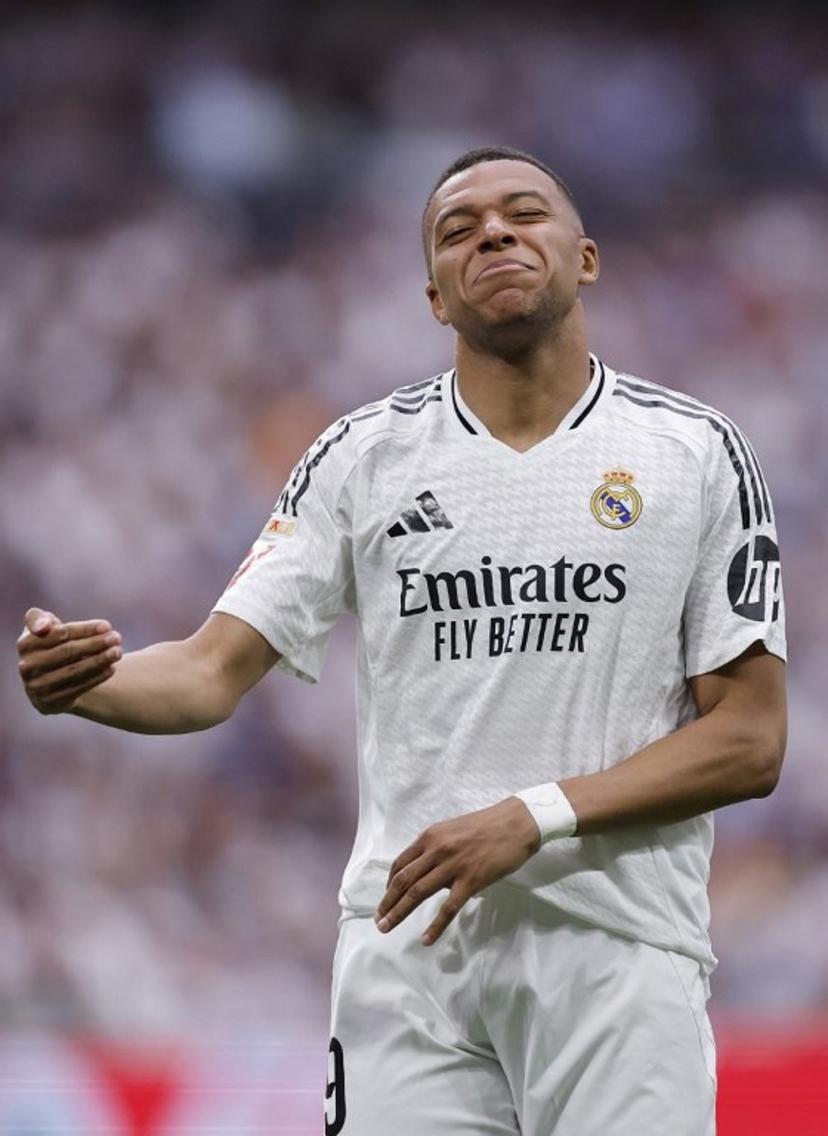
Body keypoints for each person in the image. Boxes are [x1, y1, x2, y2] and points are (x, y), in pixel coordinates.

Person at [17, 146, 787, 1135]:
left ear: (585, 257)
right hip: (411, 960)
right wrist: (94, 681)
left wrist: (531, 815)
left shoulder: (695, 452)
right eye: (459, 230)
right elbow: (210, 671)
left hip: (620, 954)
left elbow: (750, 738)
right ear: (434, 296)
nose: (495, 235)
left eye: (523, 215)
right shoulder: (362, 457)